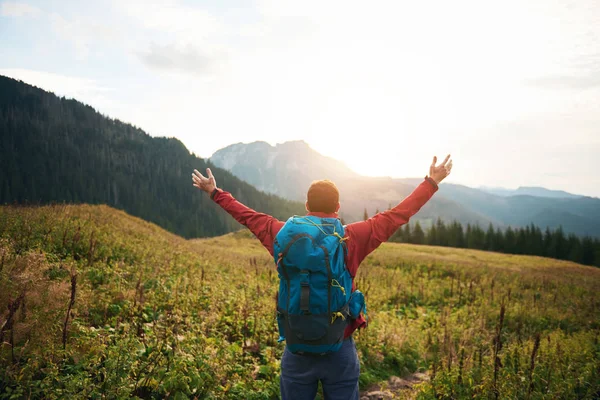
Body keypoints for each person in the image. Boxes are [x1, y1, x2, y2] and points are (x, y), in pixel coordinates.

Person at [192, 155, 453, 400]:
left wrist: (215, 193)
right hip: (339, 347)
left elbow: (247, 216)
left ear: (306, 207)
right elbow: (396, 216)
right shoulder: (353, 237)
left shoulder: (281, 234)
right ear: (338, 208)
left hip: (296, 350)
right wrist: (431, 183)